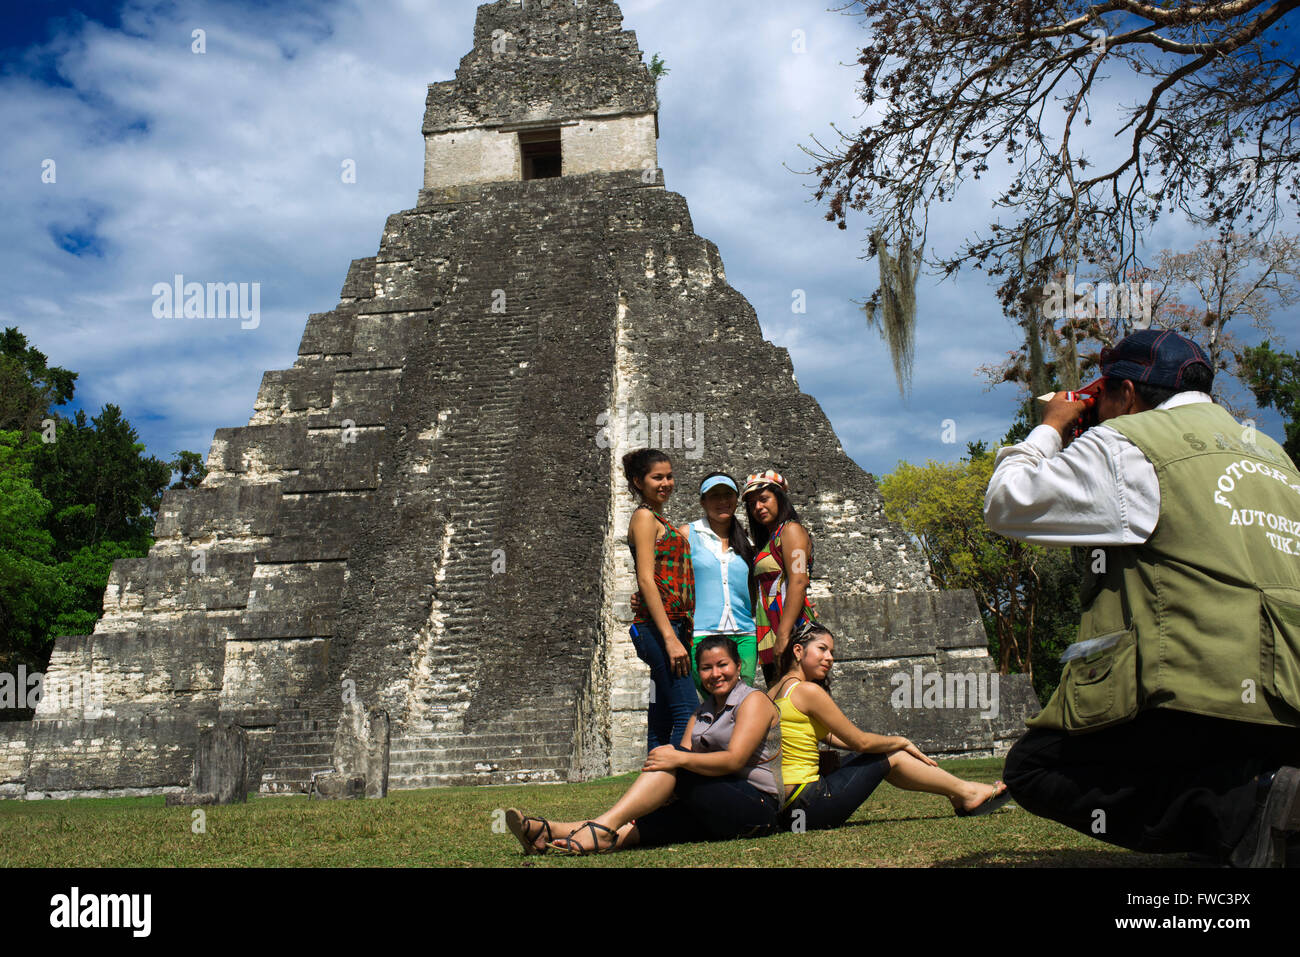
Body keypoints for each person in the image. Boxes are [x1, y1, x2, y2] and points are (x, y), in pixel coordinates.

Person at [984, 329, 1300, 867]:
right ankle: (1262, 806)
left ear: (1126, 394)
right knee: (1234, 764)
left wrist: (1051, 429)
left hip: (1196, 685)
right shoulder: (1274, 457)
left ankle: (1245, 811)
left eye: (1101, 398)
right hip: (1286, 694)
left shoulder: (1128, 443)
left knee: (1035, 769)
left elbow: (1007, 504)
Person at [504, 636, 782, 855]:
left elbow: (734, 760)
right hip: (716, 801)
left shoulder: (752, 700)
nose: (715, 674)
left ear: (738, 667)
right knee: (649, 821)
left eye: (723, 665)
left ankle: (603, 827)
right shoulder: (701, 712)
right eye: (707, 668)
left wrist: (677, 761)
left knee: (672, 759)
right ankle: (552, 831)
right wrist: (673, 768)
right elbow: (681, 759)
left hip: (755, 805)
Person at [769, 622, 1011, 831]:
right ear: (798, 651)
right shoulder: (807, 691)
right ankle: (968, 794)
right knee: (890, 754)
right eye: (822, 649)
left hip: (786, 810)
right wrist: (900, 741)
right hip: (809, 805)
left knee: (880, 754)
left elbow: (840, 739)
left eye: (831, 651)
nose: (830, 658)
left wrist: (879, 747)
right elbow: (860, 741)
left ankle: (957, 793)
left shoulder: (774, 692)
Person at [623, 448, 697, 753]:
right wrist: (670, 637)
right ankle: (678, 784)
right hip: (660, 627)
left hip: (671, 623)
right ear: (639, 482)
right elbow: (645, 578)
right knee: (688, 713)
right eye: (657, 477)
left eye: (669, 476)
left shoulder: (657, 518)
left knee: (663, 717)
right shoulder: (644, 517)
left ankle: (657, 793)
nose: (666, 483)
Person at [741, 469, 817, 686]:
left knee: (798, 699)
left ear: (780, 498)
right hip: (770, 631)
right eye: (752, 504)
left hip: (790, 631)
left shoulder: (791, 530)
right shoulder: (770, 539)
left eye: (764, 499)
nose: (758, 507)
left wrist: (783, 635)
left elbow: (799, 580)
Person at [685, 472, 757, 691]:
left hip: (744, 634)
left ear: (736, 500)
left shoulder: (749, 540)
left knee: (740, 703)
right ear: (703, 502)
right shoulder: (688, 534)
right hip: (702, 634)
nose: (722, 501)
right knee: (712, 702)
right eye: (714, 496)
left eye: (728, 495)